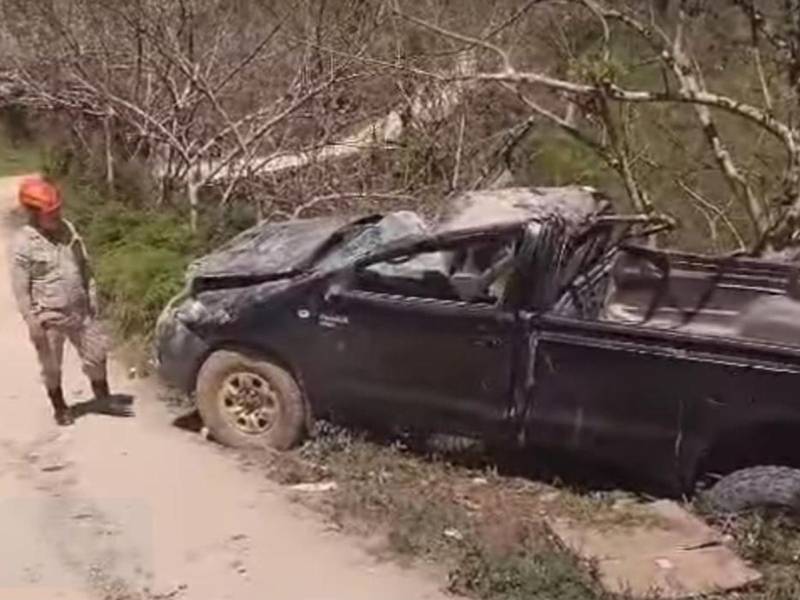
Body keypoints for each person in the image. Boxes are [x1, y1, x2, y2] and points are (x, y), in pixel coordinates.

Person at [10, 177, 112, 426]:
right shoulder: (23, 243)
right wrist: (32, 323)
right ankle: (60, 407)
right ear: (34, 214)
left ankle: (103, 397)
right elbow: (21, 290)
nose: (56, 216)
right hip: (49, 316)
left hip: (80, 310)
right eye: (50, 213)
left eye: (58, 211)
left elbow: (84, 266)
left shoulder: (68, 230)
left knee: (97, 355)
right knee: (52, 367)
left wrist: (93, 294)